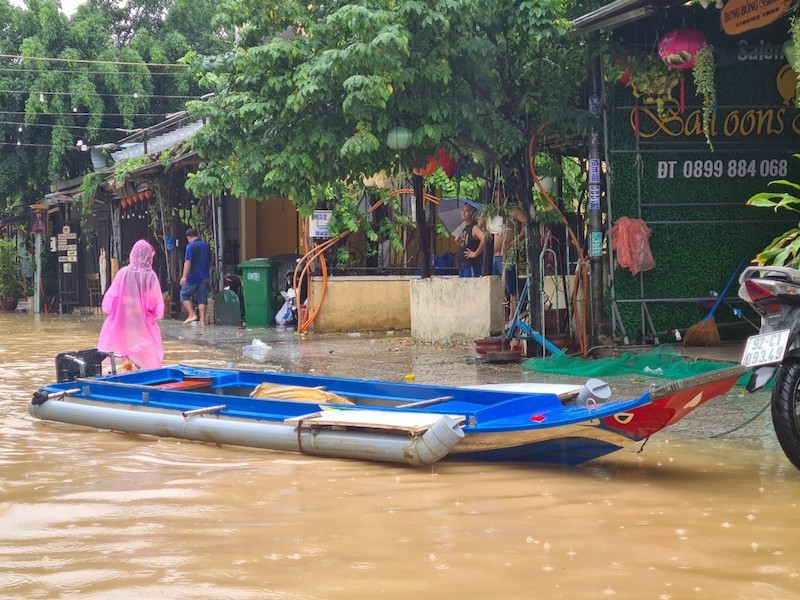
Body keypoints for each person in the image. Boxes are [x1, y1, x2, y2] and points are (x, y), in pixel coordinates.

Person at [97, 240, 164, 370]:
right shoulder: (151, 276)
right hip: (141, 315)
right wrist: (155, 313)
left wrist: (108, 307)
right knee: (143, 341)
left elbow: (113, 293)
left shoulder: (123, 272)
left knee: (123, 339)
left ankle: (127, 360)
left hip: (122, 314)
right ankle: (140, 366)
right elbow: (155, 299)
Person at [180, 228, 211, 325]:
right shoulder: (206, 246)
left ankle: (192, 314)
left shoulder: (190, 246)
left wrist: (184, 276)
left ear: (188, 237)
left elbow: (188, 262)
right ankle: (202, 321)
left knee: (184, 294)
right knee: (202, 298)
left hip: (193, 277)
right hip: (205, 275)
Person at [455, 204, 485, 277]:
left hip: (471, 265)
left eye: (466, 211)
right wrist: (458, 242)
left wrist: (475, 253)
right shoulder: (463, 227)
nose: (463, 213)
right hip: (462, 265)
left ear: (472, 213)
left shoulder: (475, 228)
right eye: (462, 211)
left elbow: (484, 238)